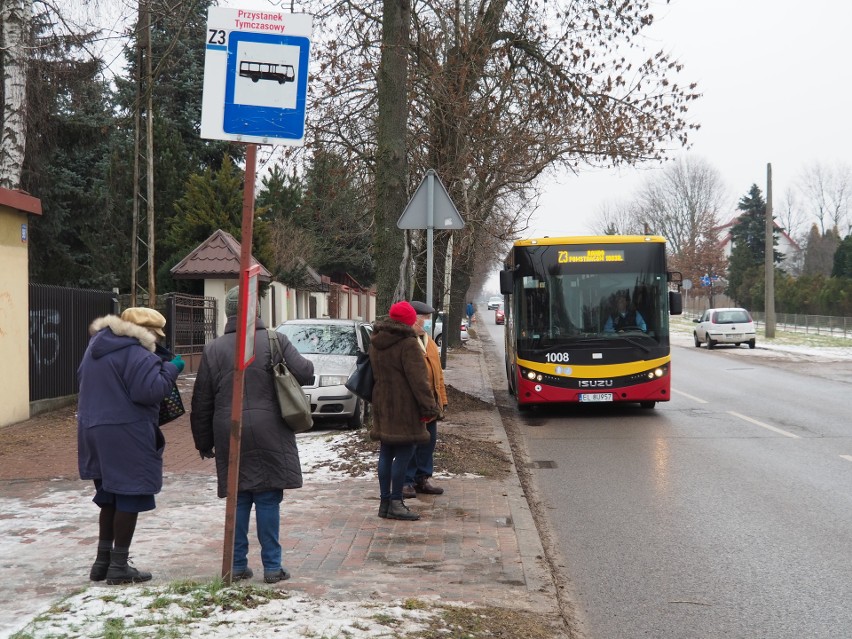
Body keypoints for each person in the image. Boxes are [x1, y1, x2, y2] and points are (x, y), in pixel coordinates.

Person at [190, 286, 314, 583]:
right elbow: (306, 373)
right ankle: (272, 566)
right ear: (256, 311)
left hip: (229, 431)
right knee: (269, 498)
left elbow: (201, 402)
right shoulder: (275, 340)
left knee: (239, 496)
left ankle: (236, 564)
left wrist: (203, 441)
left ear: (229, 313)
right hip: (271, 427)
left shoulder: (214, 349)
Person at [77, 306, 184, 585]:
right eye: (157, 336)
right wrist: (172, 369)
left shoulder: (95, 349)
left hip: (92, 430)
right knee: (129, 494)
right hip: (126, 433)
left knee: (110, 495)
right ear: (147, 333)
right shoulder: (137, 354)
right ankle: (119, 566)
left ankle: (102, 562)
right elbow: (149, 392)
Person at [369, 301, 439, 521]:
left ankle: (385, 503)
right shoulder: (408, 344)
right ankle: (397, 502)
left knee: (386, 453)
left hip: (383, 404)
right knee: (404, 454)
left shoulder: (376, 341)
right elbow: (419, 382)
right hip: (405, 407)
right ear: (408, 321)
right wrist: (430, 407)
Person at [402, 300, 448, 499]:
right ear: (415, 319)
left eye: (429, 318)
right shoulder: (407, 341)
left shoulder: (428, 341)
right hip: (414, 405)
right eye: (426, 318)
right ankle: (407, 480)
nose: (428, 322)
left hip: (431, 404)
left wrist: (442, 401)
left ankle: (424, 477)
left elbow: (438, 375)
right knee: (411, 444)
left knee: (428, 443)